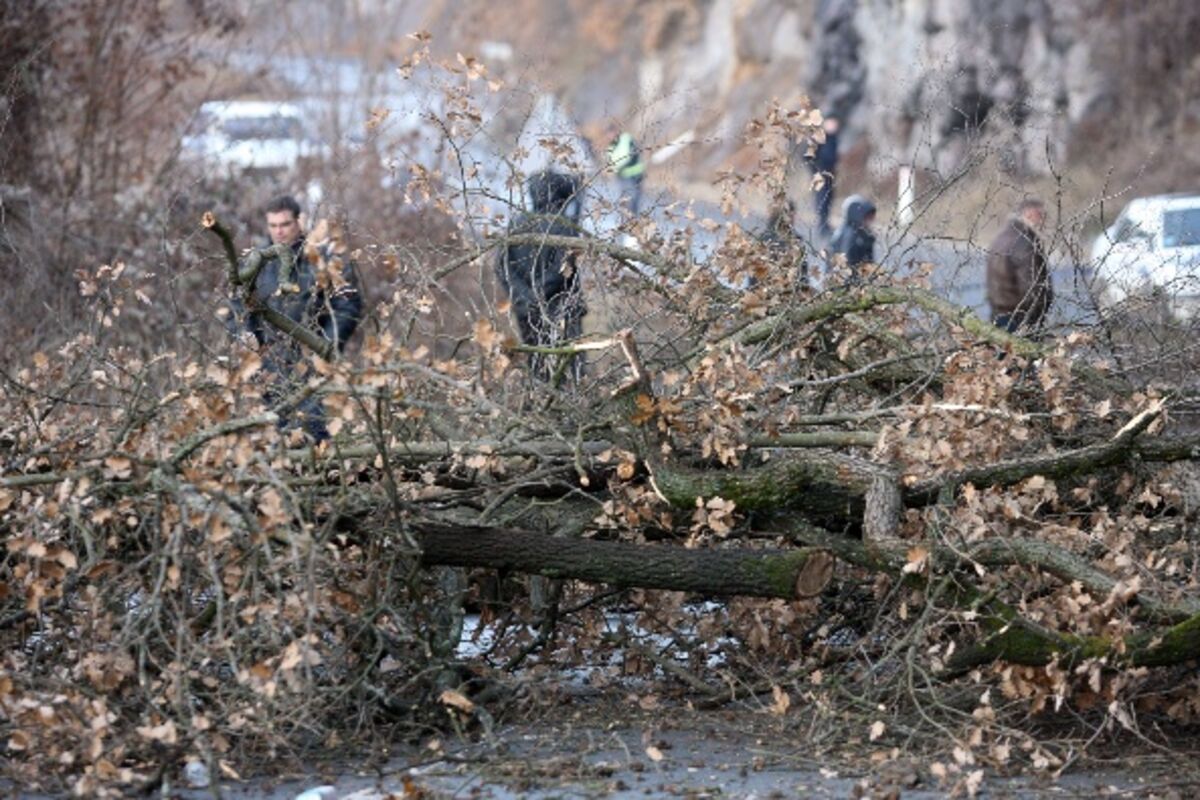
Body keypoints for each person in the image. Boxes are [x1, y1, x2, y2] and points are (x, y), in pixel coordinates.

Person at [232, 195, 363, 441]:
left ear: (299, 222)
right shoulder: (255, 263)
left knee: (315, 432)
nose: (279, 231)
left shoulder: (322, 258)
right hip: (269, 366)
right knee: (274, 436)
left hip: (312, 363)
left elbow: (348, 305)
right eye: (273, 225)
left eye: (285, 224)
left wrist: (325, 347)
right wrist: (251, 349)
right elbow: (238, 310)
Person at [495, 171, 586, 382]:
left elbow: (501, 267)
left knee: (536, 362)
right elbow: (563, 268)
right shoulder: (564, 226)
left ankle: (540, 396)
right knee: (570, 365)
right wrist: (538, 293)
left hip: (526, 308)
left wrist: (524, 295)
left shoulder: (516, 224)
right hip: (561, 307)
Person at [986, 198, 1053, 333]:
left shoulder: (1002, 237)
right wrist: (1033, 320)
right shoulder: (1025, 242)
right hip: (1019, 320)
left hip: (998, 315)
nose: (1044, 221)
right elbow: (1033, 288)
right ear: (1029, 214)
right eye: (1041, 215)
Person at [758, 197, 809, 288]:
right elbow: (803, 279)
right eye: (792, 214)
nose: (794, 218)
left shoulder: (762, 238)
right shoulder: (795, 241)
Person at [804, 115, 840, 240]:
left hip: (830, 174)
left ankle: (825, 223)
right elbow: (807, 157)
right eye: (832, 123)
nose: (834, 126)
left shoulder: (834, 138)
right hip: (820, 175)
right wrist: (815, 171)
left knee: (829, 199)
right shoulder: (818, 137)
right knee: (821, 199)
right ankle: (821, 225)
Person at [829, 194, 877, 280]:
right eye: (867, 217)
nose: (870, 221)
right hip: (843, 281)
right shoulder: (849, 236)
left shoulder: (862, 234)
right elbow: (848, 264)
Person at [606, 129, 645, 215]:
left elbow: (627, 157)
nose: (610, 136)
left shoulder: (625, 140)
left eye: (611, 133)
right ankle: (626, 218)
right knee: (624, 199)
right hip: (622, 176)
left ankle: (632, 218)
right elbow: (610, 161)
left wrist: (616, 167)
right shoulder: (611, 146)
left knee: (633, 198)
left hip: (634, 174)